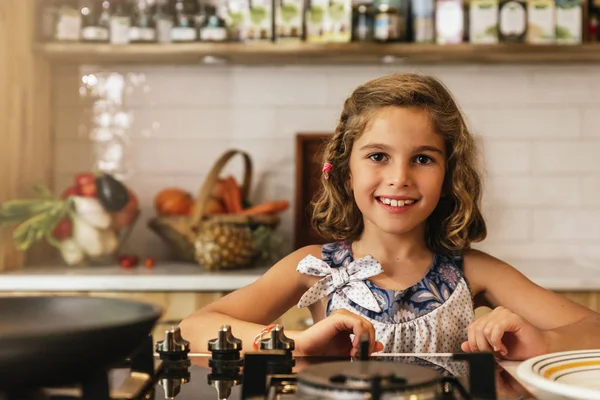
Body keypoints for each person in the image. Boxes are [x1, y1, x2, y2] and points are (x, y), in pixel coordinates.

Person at [179, 73, 600, 362]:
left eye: (423, 158)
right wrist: (298, 343)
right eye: (378, 156)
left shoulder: (473, 270)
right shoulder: (314, 267)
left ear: (449, 175)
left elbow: (593, 328)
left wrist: (543, 340)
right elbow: (193, 328)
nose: (399, 178)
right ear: (346, 172)